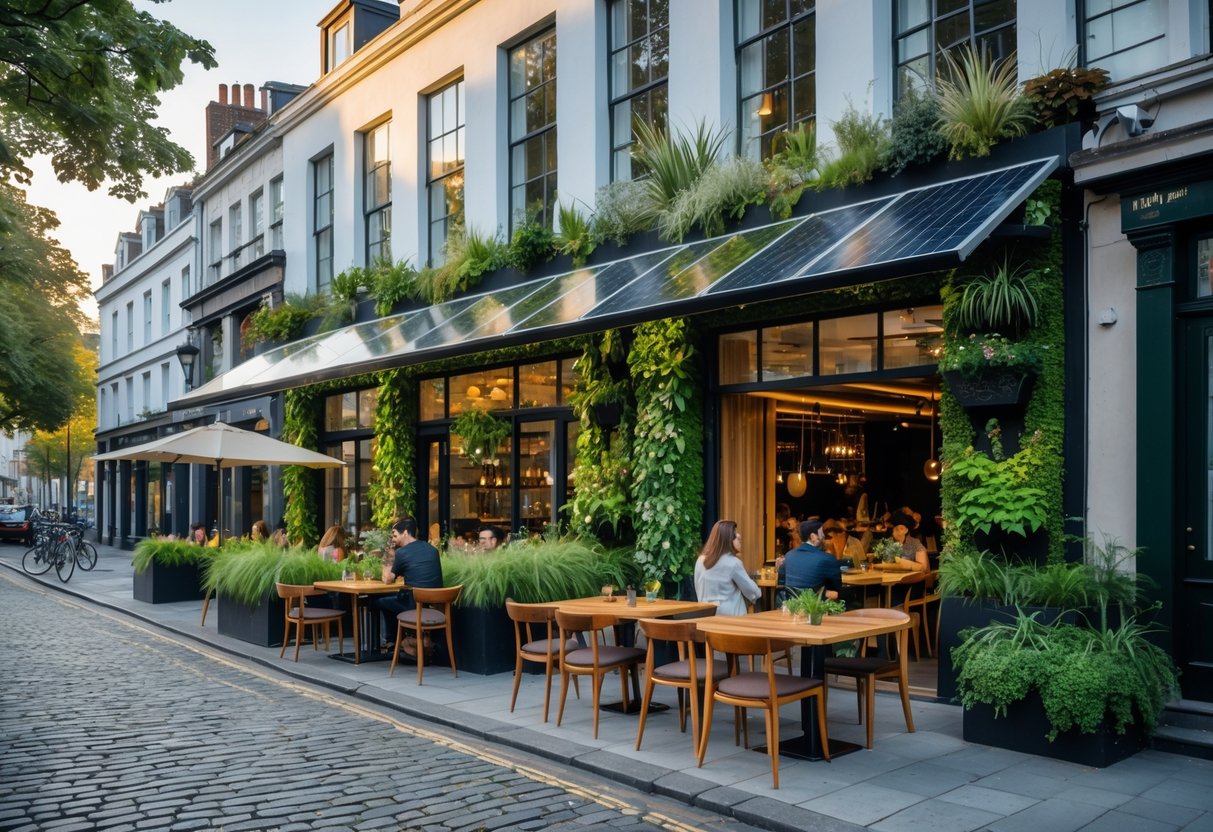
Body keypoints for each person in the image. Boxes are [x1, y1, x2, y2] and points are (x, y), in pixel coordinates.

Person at [376, 517, 444, 653]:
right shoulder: (432, 550)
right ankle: (408, 640)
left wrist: (389, 553)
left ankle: (393, 641)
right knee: (394, 599)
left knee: (379, 601)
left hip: (415, 604)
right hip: (436, 606)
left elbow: (387, 579)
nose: (393, 539)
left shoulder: (401, 552)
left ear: (405, 533)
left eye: (394, 535)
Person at [693, 520, 761, 616]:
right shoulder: (733, 563)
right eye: (734, 535)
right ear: (727, 540)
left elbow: (698, 588)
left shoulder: (700, 560)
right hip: (731, 620)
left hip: (705, 617)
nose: (739, 536)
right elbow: (753, 592)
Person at [776, 519, 842, 602]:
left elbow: (781, 584)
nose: (824, 536)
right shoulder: (827, 559)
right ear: (812, 536)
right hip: (817, 609)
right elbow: (838, 588)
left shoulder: (789, 556)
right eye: (821, 533)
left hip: (793, 608)